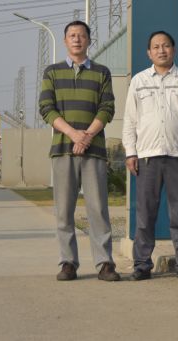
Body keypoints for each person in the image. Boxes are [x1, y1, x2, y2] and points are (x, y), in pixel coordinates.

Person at [38, 20, 119, 281]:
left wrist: (87, 137)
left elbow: (107, 108)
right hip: (63, 150)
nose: (76, 39)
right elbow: (46, 109)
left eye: (81, 35)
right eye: (72, 35)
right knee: (64, 211)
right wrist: (74, 135)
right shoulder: (52, 72)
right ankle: (68, 263)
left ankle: (105, 263)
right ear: (65, 41)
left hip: (94, 152)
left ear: (88, 40)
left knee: (98, 209)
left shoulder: (101, 72)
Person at [122, 31, 178, 281]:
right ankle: (142, 264)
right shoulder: (139, 81)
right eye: (156, 47)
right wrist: (131, 152)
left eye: (166, 46)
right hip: (147, 157)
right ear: (149, 53)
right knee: (145, 215)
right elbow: (130, 120)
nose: (161, 50)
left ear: (174, 49)